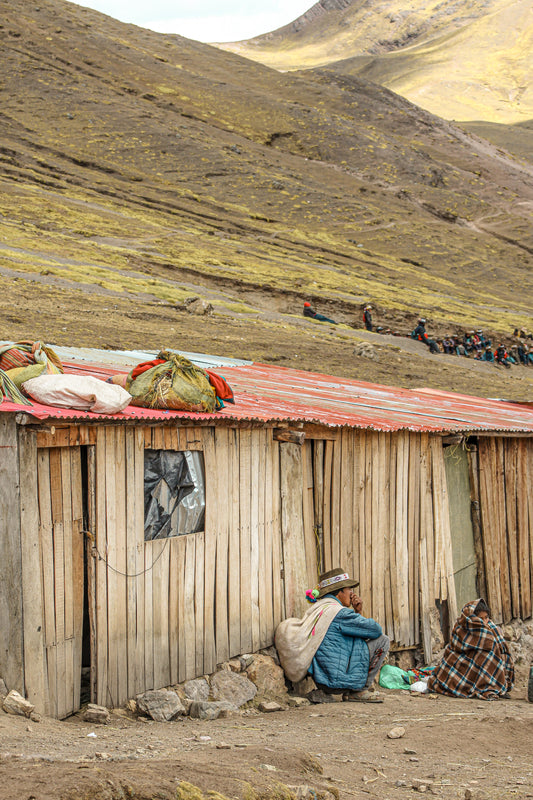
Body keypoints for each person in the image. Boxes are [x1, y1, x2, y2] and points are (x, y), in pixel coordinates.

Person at [275, 567, 390, 704]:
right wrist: (358, 610)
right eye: (348, 589)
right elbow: (375, 630)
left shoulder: (320, 609)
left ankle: (354, 689)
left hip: (323, 680)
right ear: (340, 592)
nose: (351, 593)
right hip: (338, 681)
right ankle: (359, 691)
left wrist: (356, 612)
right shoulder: (340, 613)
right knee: (383, 640)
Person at [427, 599, 514, 700]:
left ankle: (497, 685)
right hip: (462, 669)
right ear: (472, 618)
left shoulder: (491, 629)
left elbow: (501, 650)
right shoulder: (461, 628)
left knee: (495, 653)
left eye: (486, 618)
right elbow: (454, 651)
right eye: (480, 618)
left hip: (481, 670)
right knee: (484, 655)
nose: (484, 621)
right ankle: (483, 687)